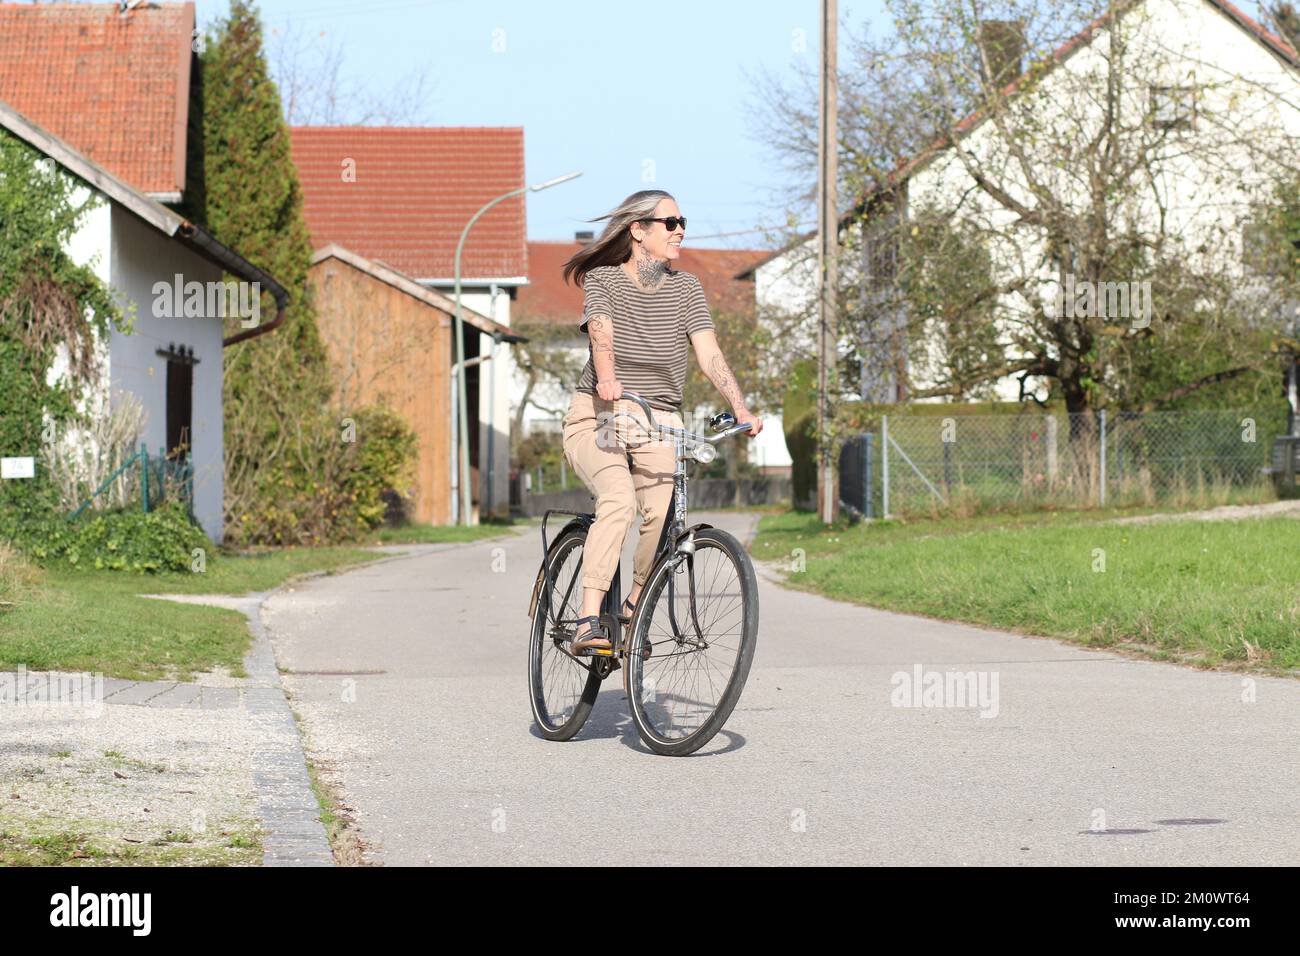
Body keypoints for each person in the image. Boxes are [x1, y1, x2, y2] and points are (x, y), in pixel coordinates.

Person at [559, 189, 762, 654]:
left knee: (662, 515)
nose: (680, 230)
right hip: (600, 413)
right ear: (638, 231)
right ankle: (589, 619)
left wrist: (741, 407)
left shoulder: (686, 288)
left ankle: (632, 606)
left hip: (658, 419)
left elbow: (710, 354)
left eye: (681, 222)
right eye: (669, 222)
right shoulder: (604, 280)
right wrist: (608, 379)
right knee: (618, 501)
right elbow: (601, 332)